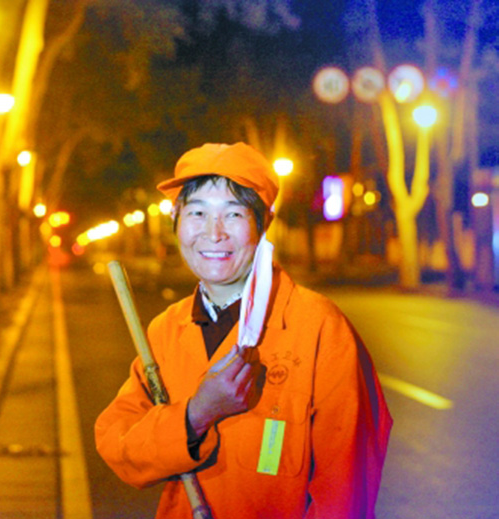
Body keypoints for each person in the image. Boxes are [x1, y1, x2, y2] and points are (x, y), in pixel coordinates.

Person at [95, 142, 392, 518]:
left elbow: (345, 495)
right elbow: (119, 446)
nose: (213, 233)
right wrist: (195, 415)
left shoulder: (320, 327)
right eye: (197, 213)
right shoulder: (167, 329)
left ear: (264, 222)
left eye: (233, 214)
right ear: (176, 220)